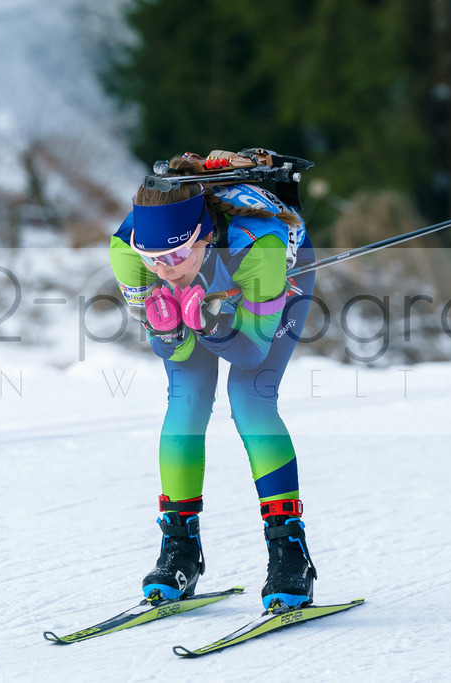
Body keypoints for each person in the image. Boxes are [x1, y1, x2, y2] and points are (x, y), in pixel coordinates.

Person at [109, 152, 318, 611]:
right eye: (154, 257)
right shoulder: (127, 251)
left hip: (280, 270)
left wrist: (213, 327)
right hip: (213, 290)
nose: (165, 268)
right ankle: (179, 548)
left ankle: (290, 554)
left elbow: (251, 354)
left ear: (204, 235)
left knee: (249, 396)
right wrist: (168, 329)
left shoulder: (256, 246)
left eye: (178, 255)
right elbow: (172, 354)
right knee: (187, 395)